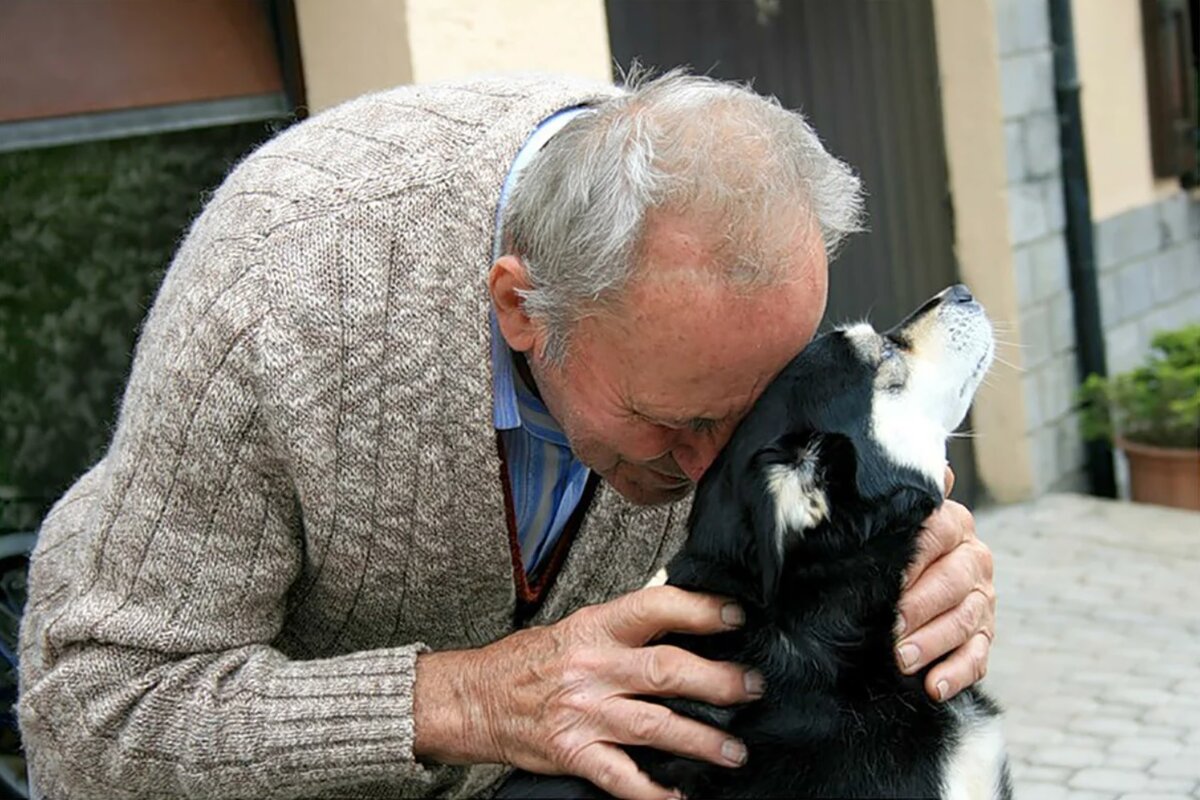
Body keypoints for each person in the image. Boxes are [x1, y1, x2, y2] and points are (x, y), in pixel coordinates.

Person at [18, 72, 996, 800]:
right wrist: (465, 700)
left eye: (747, 414)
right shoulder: (279, 304)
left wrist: (914, 564)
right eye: (675, 421)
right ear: (523, 307)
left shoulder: (711, 274)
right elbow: (98, 717)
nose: (712, 467)